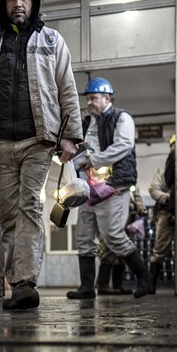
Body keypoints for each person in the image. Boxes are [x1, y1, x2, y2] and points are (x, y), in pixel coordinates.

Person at [0, 0, 84, 311]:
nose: (18, 3)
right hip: (0, 140)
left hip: (38, 139)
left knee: (30, 206)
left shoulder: (52, 41)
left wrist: (70, 136)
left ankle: (24, 282)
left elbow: (67, 89)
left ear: (34, 2)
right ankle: (16, 276)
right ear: (4, 2)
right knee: (8, 213)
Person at [66, 78, 155, 300]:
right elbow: (79, 153)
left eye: (93, 98)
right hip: (88, 188)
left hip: (113, 185)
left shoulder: (121, 118)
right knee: (84, 237)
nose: (89, 102)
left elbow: (124, 145)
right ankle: (87, 287)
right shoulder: (87, 124)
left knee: (114, 235)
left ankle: (145, 278)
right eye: (87, 98)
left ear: (107, 98)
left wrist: (93, 160)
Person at [97, 189, 149, 295]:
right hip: (112, 215)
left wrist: (140, 207)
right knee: (108, 251)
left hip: (127, 217)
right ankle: (103, 285)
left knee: (122, 255)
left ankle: (118, 285)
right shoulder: (108, 179)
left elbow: (137, 196)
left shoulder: (130, 183)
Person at [145, 133, 177, 295]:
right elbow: (153, 189)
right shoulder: (165, 168)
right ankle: (150, 285)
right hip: (167, 211)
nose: (176, 149)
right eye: (174, 146)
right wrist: (170, 198)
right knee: (160, 248)